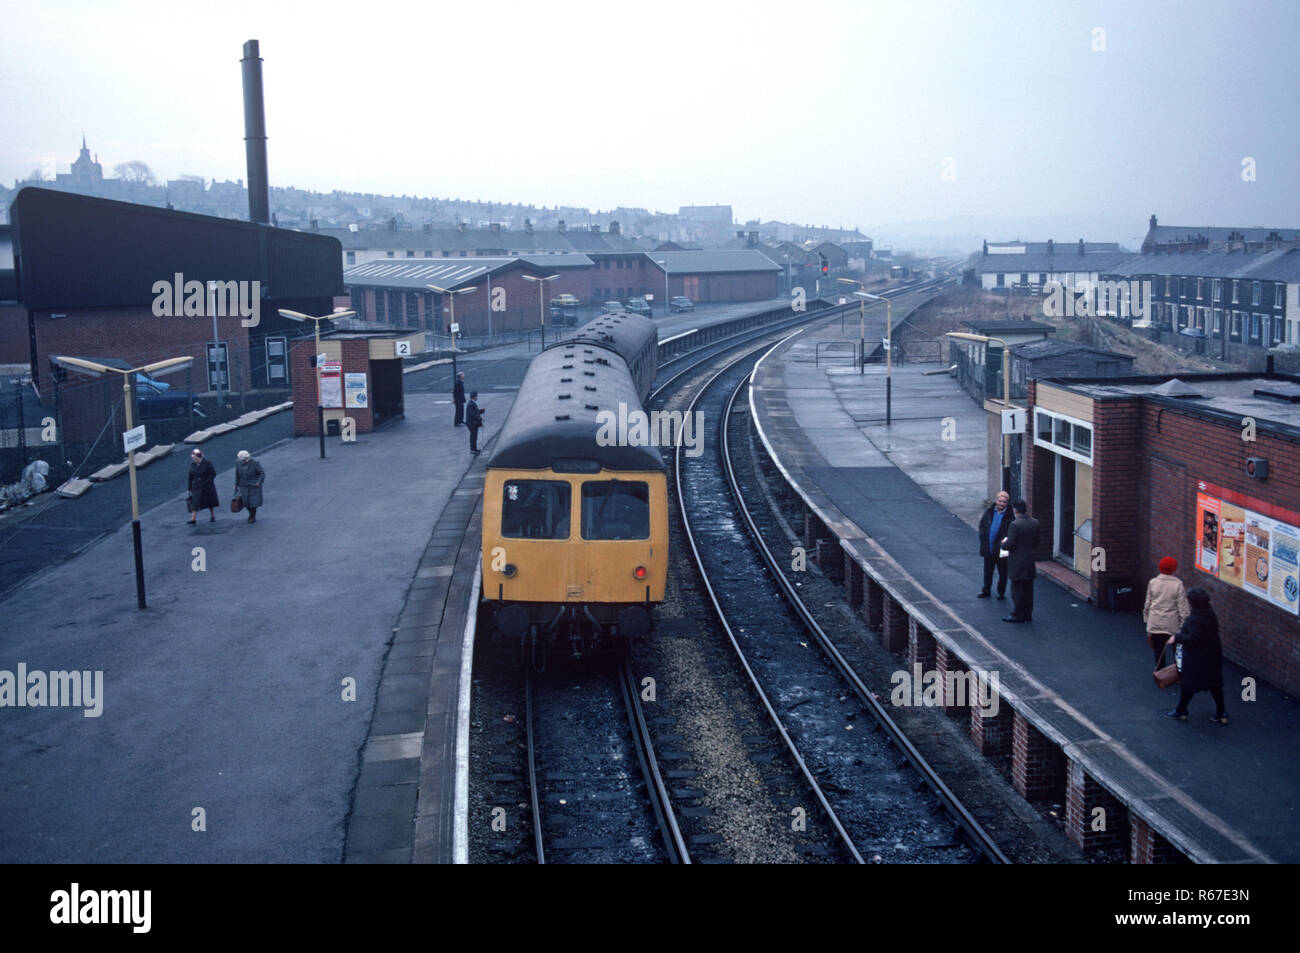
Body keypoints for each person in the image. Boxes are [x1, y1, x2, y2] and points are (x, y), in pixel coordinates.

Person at [1163, 586, 1228, 724]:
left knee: (1188, 685)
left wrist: (1177, 637)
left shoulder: (1195, 619)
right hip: (1213, 655)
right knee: (1215, 684)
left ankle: (1181, 711)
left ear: (1192, 602)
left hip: (1197, 658)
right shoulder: (1210, 613)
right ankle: (1221, 713)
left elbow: (1194, 638)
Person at [1143, 556, 1189, 667]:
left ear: (1160, 568)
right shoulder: (1178, 584)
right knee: (1177, 651)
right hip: (1172, 624)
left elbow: (1148, 604)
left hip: (1155, 622)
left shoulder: (1153, 582)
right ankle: (1178, 674)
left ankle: (1160, 672)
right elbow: (1183, 608)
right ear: (1174, 569)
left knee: (1158, 650)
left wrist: (1147, 620)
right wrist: (1184, 625)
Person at [1001, 499, 1040, 623]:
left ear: (1015, 510)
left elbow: (1010, 544)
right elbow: (1037, 541)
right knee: (1028, 589)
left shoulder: (1015, 524)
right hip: (1029, 561)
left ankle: (1017, 614)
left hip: (1017, 562)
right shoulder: (1035, 522)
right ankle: (1028, 614)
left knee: (1017, 589)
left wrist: (1004, 544)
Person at [977, 490, 1013, 600]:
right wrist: (983, 539)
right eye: (1000, 501)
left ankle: (1000, 592)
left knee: (1003, 572)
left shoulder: (1010, 516)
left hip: (1001, 550)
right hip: (989, 547)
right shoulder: (989, 512)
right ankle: (986, 590)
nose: (1001, 503)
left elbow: (1011, 533)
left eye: (1004, 502)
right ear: (996, 501)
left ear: (1007, 503)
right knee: (988, 571)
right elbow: (982, 526)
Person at [187, 448, 219, 524]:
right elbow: (190, 476)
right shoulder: (192, 465)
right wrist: (189, 487)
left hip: (206, 486)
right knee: (195, 502)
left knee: (209, 502)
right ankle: (193, 518)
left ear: (199, 457)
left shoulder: (207, 463)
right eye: (193, 458)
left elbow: (213, 473)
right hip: (196, 486)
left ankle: (212, 515)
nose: (194, 459)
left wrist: (207, 482)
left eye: (195, 458)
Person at [234, 450, 265, 524]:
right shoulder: (238, 463)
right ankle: (251, 514)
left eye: (244, 460)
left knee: (253, 502)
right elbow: (237, 474)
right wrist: (236, 484)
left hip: (253, 485)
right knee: (246, 503)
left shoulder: (255, 463)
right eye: (242, 460)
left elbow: (262, 473)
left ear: (248, 457)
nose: (243, 461)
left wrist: (258, 482)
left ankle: (252, 516)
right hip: (243, 485)